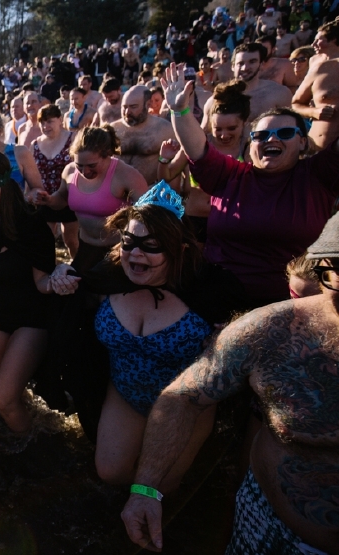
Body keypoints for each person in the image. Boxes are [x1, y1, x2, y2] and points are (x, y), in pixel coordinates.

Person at [120, 212, 339, 555]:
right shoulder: (273, 330)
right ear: (324, 266)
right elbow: (183, 397)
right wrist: (146, 490)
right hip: (267, 531)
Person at [72, 184, 244, 490]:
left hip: (185, 406)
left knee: (159, 487)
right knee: (111, 472)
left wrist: (227, 339)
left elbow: (246, 337)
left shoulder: (213, 291)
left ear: (178, 250)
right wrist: (60, 277)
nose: (136, 253)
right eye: (129, 242)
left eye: (151, 245)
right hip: (125, 393)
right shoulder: (107, 276)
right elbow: (73, 304)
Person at [163, 63, 339, 306]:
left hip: (287, 307)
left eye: (285, 133)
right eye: (261, 135)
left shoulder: (318, 174)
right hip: (218, 297)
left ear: (302, 142)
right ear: (251, 143)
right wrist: (180, 111)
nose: (272, 139)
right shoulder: (230, 175)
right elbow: (196, 148)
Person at [0, 150, 62, 451]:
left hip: (29, 322)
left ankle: (34, 450)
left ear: (6, 183)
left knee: (3, 399)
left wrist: (58, 280)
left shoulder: (29, 226)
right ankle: (29, 425)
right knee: (12, 392)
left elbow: (42, 281)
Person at [32, 126, 148, 273]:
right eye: (79, 165)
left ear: (107, 155)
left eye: (92, 165)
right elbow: (62, 198)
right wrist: (48, 200)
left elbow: (148, 212)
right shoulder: (70, 171)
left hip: (118, 250)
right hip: (86, 248)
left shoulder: (126, 174)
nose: (85, 171)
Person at [158, 79, 252, 244]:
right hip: (194, 220)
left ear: (244, 123)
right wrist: (164, 158)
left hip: (231, 222)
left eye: (232, 129)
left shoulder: (248, 148)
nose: (224, 135)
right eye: (218, 129)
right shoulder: (198, 144)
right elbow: (167, 177)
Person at [20, 105, 80, 256]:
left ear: (60, 120)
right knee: (45, 240)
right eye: (42, 123)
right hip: (43, 197)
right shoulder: (35, 144)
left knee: (71, 240)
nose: (46, 126)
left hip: (68, 197)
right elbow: (29, 172)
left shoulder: (73, 138)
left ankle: (78, 270)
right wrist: (28, 195)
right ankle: (48, 272)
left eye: (50, 122)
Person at [203, 43, 292, 129]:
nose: (245, 67)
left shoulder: (279, 93)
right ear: (233, 66)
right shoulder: (218, 98)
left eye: (252, 62)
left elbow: (290, 129)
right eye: (240, 63)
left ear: (261, 65)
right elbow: (204, 134)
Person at [112, 85, 178, 184]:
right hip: (116, 190)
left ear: (147, 105)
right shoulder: (112, 129)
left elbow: (177, 166)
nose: (127, 112)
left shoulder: (164, 129)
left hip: (150, 191)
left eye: (133, 107)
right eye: (124, 107)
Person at [291, 20, 339, 152]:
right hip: (320, 151)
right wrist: (315, 112)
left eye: (319, 40)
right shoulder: (320, 67)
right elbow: (296, 103)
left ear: (334, 39)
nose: (313, 45)